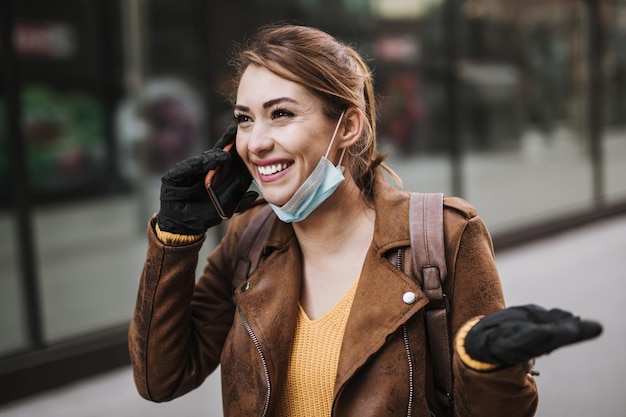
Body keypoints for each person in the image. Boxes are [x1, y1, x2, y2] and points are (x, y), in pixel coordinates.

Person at [128, 24, 602, 417]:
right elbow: (161, 379)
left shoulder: (442, 236)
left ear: (348, 127)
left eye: (282, 114)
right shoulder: (248, 239)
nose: (255, 143)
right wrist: (176, 239)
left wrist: (488, 368)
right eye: (245, 118)